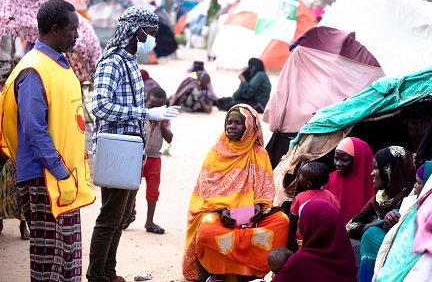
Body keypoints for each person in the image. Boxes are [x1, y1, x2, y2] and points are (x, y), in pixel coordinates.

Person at [0, 0, 96, 281]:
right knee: (48, 263)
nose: (77, 35)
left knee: (69, 257)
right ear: (55, 29)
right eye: (72, 29)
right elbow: (34, 131)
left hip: (64, 178)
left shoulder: (59, 64)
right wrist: (60, 170)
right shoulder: (33, 70)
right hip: (45, 178)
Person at [87, 6, 180, 282]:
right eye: (149, 32)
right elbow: (100, 107)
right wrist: (145, 113)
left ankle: (108, 272)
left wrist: (151, 116)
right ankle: (96, 275)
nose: (150, 38)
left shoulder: (129, 60)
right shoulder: (112, 61)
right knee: (110, 216)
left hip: (131, 147)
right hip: (117, 147)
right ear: (136, 29)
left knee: (121, 215)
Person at [182, 104, 289, 282]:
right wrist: (221, 210)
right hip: (220, 212)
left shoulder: (259, 154)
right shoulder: (216, 151)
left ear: (249, 127)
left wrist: (258, 206)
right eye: (229, 122)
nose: (231, 127)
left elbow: (266, 188)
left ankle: (253, 271)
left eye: (238, 123)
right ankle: (219, 272)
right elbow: (205, 190)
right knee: (207, 230)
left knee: (281, 222)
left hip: (248, 213)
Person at [346, 146, 416, 282]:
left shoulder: (413, 197)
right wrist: (381, 224)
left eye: (377, 168)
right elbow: (349, 227)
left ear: (390, 170)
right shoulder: (380, 198)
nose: (372, 173)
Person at [373, 159, 432, 282]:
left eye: (418, 183)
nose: (414, 186)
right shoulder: (412, 204)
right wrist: (390, 220)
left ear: (430, 186)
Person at [272, 199, 358, 282]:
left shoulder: (301, 261)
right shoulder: (347, 256)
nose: (299, 222)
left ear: (311, 224)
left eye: (301, 218)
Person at [288, 162, 340, 250]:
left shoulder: (300, 198)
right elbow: (336, 213)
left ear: (309, 184)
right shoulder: (331, 196)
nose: (299, 176)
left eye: (301, 175)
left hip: (303, 237)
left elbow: (293, 218)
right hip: (325, 237)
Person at [324, 137, 375, 224]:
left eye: (344, 160)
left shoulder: (374, 182)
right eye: (336, 159)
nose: (338, 164)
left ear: (358, 160)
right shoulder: (329, 179)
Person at [143, 86, 172, 234]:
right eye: (151, 106)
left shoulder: (164, 119)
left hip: (154, 158)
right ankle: (128, 215)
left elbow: (169, 138)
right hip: (139, 157)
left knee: (153, 191)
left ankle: (149, 222)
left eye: (158, 108)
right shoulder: (141, 114)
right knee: (131, 189)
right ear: (145, 101)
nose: (154, 110)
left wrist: (161, 124)